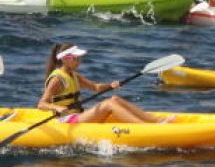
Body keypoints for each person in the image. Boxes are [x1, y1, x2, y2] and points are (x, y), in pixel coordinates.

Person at [37, 43, 166, 124]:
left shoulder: (74, 75)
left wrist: (111, 85)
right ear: (65, 59)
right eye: (76, 58)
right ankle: (143, 127)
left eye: (79, 58)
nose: (79, 61)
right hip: (65, 120)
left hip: (78, 115)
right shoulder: (57, 79)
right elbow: (42, 104)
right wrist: (58, 108)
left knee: (114, 99)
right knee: (108, 105)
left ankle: (155, 120)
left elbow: (96, 87)